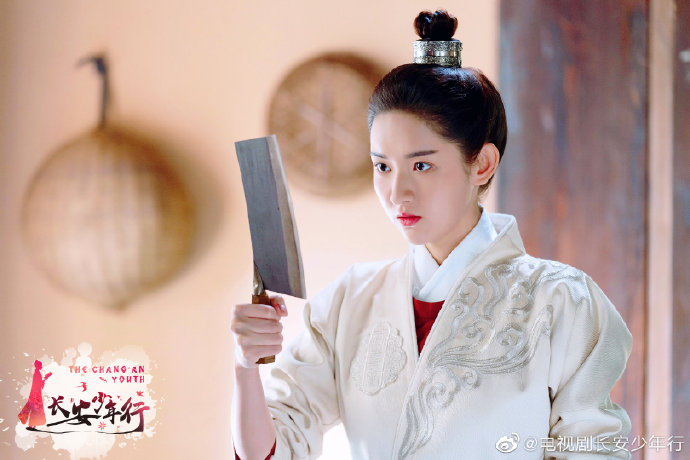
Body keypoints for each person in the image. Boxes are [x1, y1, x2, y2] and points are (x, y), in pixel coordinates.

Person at [231, 9, 632, 460]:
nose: (397, 192)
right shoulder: (349, 302)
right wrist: (245, 367)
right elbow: (276, 447)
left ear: (482, 164)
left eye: (421, 165)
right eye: (383, 166)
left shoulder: (562, 300)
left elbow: (594, 448)